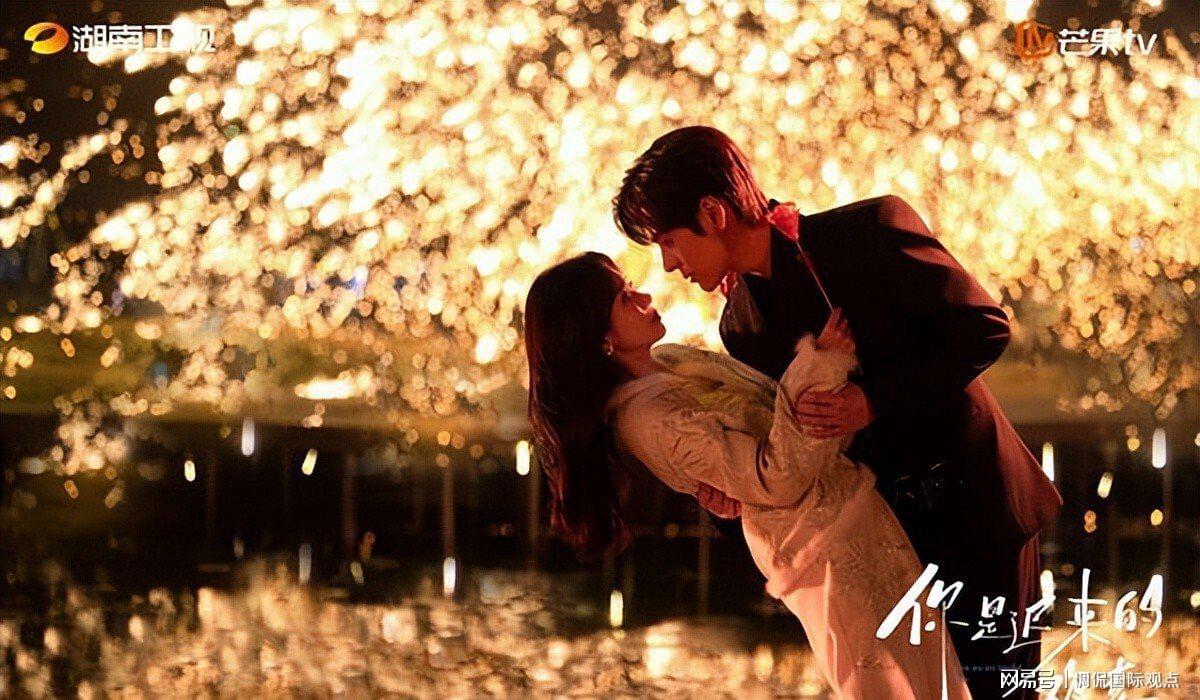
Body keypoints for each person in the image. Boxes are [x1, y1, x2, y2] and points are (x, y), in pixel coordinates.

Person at [611, 125, 1061, 699]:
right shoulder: (741, 327)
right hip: (888, 542)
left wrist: (872, 401)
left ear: (713, 212)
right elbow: (797, 444)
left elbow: (984, 328)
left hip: (978, 511)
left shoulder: (868, 230)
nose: (670, 264)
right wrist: (730, 501)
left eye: (669, 241)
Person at [525, 252, 971, 699]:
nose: (644, 296)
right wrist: (819, 366)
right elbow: (773, 478)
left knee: (934, 679)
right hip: (823, 551)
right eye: (625, 298)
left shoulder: (671, 364)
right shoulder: (649, 419)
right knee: (892, 685)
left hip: (854, 520)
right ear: (602, 336)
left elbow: (767, 420)